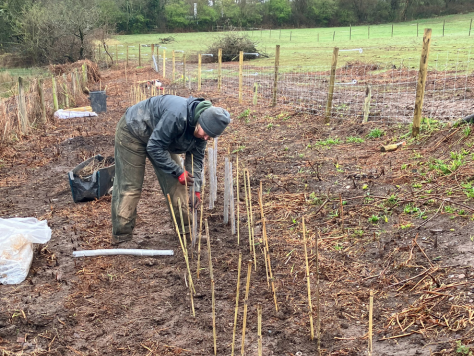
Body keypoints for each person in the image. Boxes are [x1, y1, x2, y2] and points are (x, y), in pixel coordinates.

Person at [111, 95, 231, 245]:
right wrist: (178, 171)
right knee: (130, 186)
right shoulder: (177, 115)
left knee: (177, 184)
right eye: (205, 133)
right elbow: (154, 147)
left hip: (160, 139)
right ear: (199, 121)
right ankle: (122, 238)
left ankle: (186, 232)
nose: (206, 138)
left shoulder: (202, 134)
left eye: (210, 136)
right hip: (134, 131)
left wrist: (196, 189)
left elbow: (195, 161)